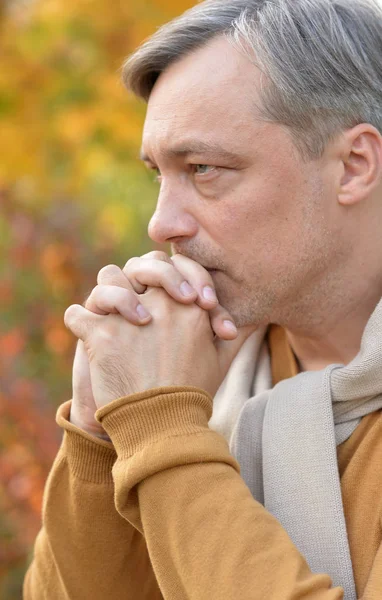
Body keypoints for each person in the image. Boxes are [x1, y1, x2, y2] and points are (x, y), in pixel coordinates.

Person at [23, 0, 382, 598]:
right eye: (157, 175)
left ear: (353, 165)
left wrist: (161, 431)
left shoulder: (176, 411)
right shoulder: (204, 364)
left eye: (205, 168)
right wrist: (101, 431)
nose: (161, 224)